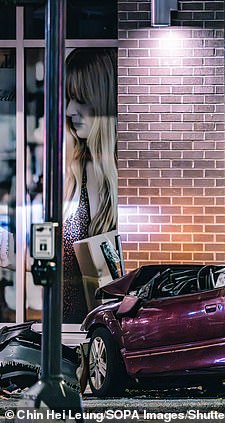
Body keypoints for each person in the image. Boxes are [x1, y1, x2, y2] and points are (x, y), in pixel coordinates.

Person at [63, 48, 117, 323]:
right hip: (68, 332)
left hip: (101, 335)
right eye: (68, 98)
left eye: (80, 98)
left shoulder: (119, 178)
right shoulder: (74, 173)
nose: (70, 110)